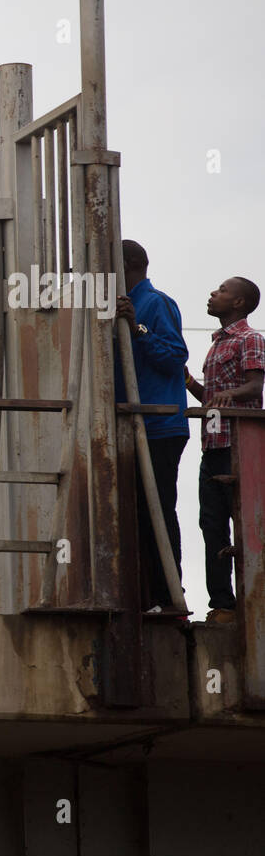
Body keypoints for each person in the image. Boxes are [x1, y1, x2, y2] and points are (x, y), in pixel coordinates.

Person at [113, 240, 190, 614]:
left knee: (158, 507)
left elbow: (175, 357)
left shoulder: (153, 302)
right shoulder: (125, 303)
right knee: (138, 510)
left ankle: (168, 595)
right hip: (133, 423)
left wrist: (138, 329)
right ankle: (151, 595)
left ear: (127, 264)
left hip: (160, 424)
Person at [184, 275, 264, 625]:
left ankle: (252, 599)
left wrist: (231, 394)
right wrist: (190, 383)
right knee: (211, 523)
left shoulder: (250, 339)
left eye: (222, 290)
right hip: (214, 445)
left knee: (247, 522)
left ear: (239, 303)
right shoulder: (216, 343)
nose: (213, 293)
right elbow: (212, 399)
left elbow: (254, 386)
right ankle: (223, 605)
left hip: (239, 447)